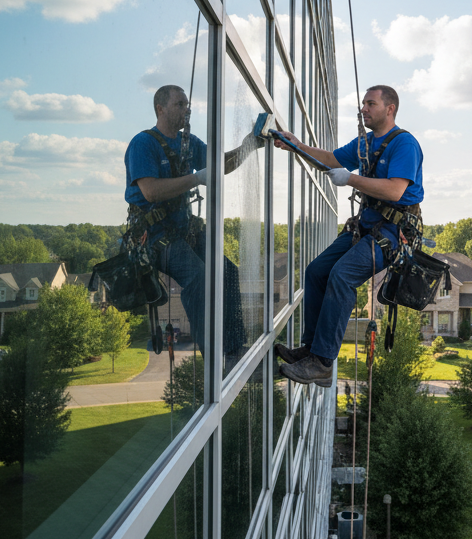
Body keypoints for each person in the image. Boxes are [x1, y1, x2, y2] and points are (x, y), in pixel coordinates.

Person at [273, 85, 423, 385]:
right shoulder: (365, 143)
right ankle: (311, 349)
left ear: (389, 108)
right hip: (365, 226)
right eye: (363, 104)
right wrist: (296, 146)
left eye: (371, 103)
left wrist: (352, 178)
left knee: (342, 275)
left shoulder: (404, 144)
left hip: (392, 232)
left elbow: (395, 190)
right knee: (316, 271)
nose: (363, 109)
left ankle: (323, 362)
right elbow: (331, 159)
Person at [124, 85, 248, 355]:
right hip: (155, 238)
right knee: (198, 277)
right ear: (161, 109)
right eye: (180, 104)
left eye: (187, 104)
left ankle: (234, 348)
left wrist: (249, 147)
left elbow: (220, 164)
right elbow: (151, 191)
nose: (187, 109)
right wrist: (195, 178)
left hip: (183, 232)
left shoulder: (188, 143)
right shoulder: (143, 144)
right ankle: (213, 356)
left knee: (228, 272)